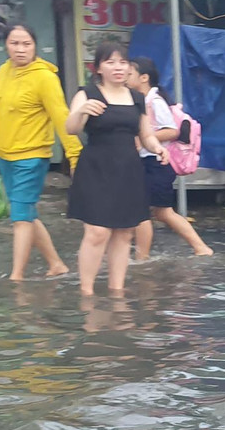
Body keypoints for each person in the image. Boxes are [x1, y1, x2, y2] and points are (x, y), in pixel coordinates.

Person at [65, 42, 169, 296]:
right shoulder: (87, 93)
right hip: (96, 168)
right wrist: (81, 112)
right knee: (97, 231)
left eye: (122, 62)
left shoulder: (137, 98)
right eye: (110, 62)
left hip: (128, 169)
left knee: (124, 231)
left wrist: (157, 148)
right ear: (99, 68)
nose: (118, 67)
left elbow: (146, 134)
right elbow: (70, 129)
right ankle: (87, 292)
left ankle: (117, 290)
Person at [0, 24, 81, 280]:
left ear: (35, 46)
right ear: (6, 45)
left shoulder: (45, 78)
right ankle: (56, 264)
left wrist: (75, 155)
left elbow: (61, 117)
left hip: (31, 157)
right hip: (5, 156)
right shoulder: (3, 72)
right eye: (14, 43)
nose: (20, 49)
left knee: (20, 218)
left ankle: (16, 277)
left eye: (26, 44)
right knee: (25, 212)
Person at [127, 57, 213, 259]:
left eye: (130, 74)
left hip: (156, 163)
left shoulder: (155, 102)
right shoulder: (141, 101)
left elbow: (172, 131)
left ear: (144, 78)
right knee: (157, 212)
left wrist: (145, 138)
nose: (125, 77)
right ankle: (198, 247)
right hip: (147, 163)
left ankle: (143, 257)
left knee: (151, 212)